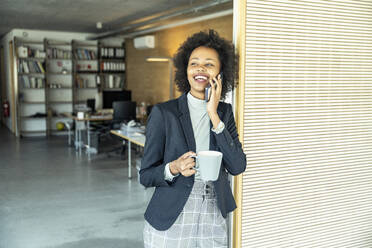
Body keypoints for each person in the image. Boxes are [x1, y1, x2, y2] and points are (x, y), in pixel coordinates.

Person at [140, 29, 247, 248]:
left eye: (209, 64)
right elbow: (146, 176)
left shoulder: (224, 113)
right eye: (194, 63)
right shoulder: (164, 113)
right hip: (172, 212)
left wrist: (213, 114)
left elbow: (237, 166)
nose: (200, 68)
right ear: (186, 70)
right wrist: (173, 167)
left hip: (213, 209)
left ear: (220, 73)